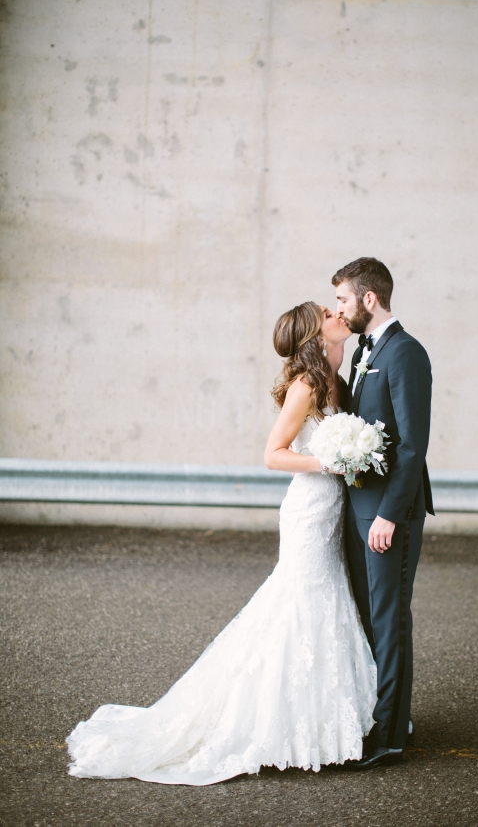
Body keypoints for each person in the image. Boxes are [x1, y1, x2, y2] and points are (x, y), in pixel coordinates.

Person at [66, 302, 376, 786]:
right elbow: (273, 455)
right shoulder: (309, 385)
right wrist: (330, 463)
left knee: (325, 597)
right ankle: (274, 726)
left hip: (331, 508)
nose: (337, 313)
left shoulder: (337, 377)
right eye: (326, 313)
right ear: (315, 335)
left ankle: (322, 726)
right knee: (301, 600)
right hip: (309, 508)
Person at [333, 257, 434, 770]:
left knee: (390, 619)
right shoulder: (363, 353)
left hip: (388, 515)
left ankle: (390, 735)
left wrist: (390, 515)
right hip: (359, 504)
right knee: (370, 618)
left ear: (368, 299)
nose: (339, 310)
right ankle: (385, 714)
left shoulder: (406, 353)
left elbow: (414, 447)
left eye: (343, 300)